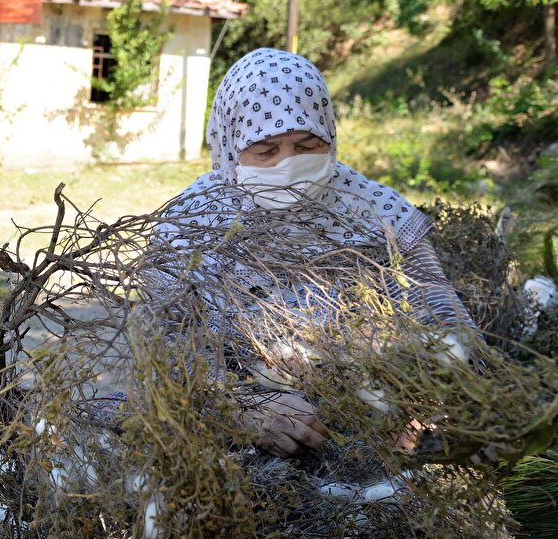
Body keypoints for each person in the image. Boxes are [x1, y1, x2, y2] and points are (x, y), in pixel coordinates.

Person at [145, 48, 475, 458]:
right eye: (266, 151)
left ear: (330, 136)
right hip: (237, 444)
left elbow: (446, 322)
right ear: (231, 149)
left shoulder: (379, 215)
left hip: (377, 431)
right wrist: (241, 406)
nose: (289, 164)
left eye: (306, 145)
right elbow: (165, 352)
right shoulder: (188, 228)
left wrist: (429, 405)